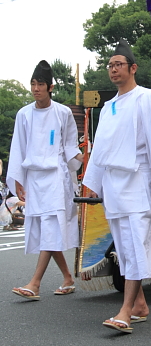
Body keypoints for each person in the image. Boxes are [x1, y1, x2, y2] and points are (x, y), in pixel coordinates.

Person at [83, 38, 151, 334]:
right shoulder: (108, 107)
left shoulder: (148, 98)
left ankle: (126, 311)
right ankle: (140, 305)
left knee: (134, 243)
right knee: (126, 248)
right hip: (114, 185)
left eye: (118, 65)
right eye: (110, 65)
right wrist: (92, 182)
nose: (113, 70)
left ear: (133, 68)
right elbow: (101, 148)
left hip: (137, 180)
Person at [7, 60, 84, 300]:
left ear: (50, 87)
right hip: (34, 179)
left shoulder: (62, 113)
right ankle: (68, 277)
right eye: (33, 83)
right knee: (45, 230)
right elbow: (18, 148)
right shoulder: (24, 114)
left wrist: (88, 161)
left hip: (56, 178)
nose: (36, 88)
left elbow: (70, 147)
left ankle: (35, 283)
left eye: (40, 84)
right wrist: (18, 179)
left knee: (51, 229)